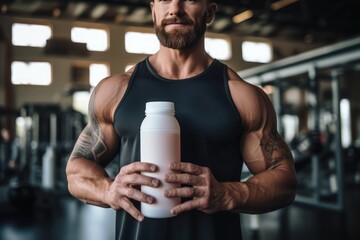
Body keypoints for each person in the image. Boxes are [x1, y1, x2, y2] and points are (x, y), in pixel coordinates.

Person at [65, 0, 297, 239]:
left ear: (210, 12)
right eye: (165, 0)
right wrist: (108, 190)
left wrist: (229, 194)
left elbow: (285, 180)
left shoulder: (242, 95)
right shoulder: (116, 91)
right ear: (153, 9)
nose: (175, 8)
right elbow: (76, 168)